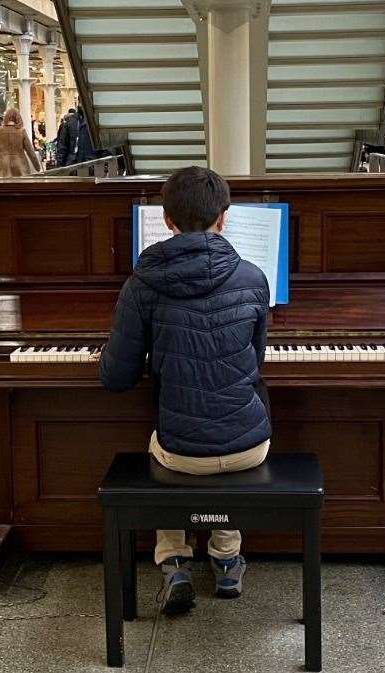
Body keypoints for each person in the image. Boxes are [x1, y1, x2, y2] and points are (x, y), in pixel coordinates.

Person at [99, 166, 271, 615]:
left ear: (167, 221)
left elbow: (115, 379)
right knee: (236, 411)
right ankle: (227, 555)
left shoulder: (143, 283)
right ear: (224, 218)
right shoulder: (253, 277)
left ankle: (173, 558)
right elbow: (256, 364)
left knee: (163, 445)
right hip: (252, 449)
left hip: (181, 452)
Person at [0, 108, 41, 177]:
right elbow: (30, 151)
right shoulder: (21, 131)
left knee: (6, 187)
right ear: (18, 117)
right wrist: (37, 167)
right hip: (20, 166)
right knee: (20, 187)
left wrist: (1, 154)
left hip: (4, 166)